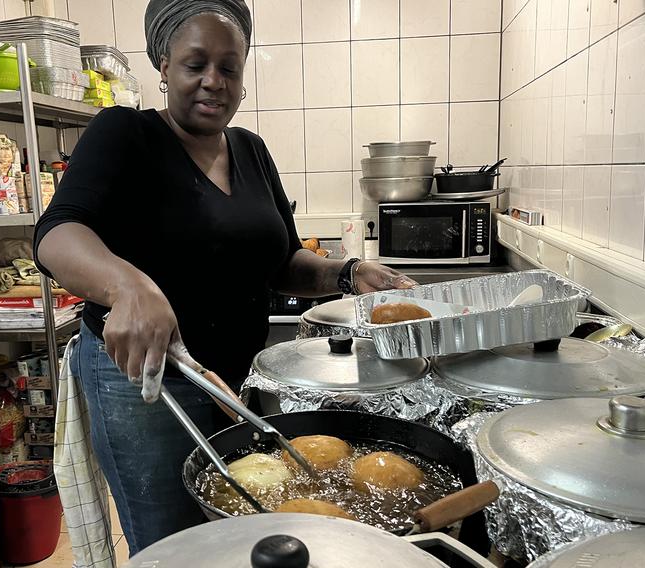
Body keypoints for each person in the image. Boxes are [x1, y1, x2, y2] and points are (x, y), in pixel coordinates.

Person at [33, 0, 417, 554]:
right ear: (163, 67)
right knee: (175, 544)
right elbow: (56, 233)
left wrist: (348, 272)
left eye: (229, 67)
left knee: (239, 532)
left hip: (237, 379)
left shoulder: (251, 150)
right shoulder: (124, 133)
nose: (214, 81)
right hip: (148, 381)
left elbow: (283, 262)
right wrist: (127, 285)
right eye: (195, 64)